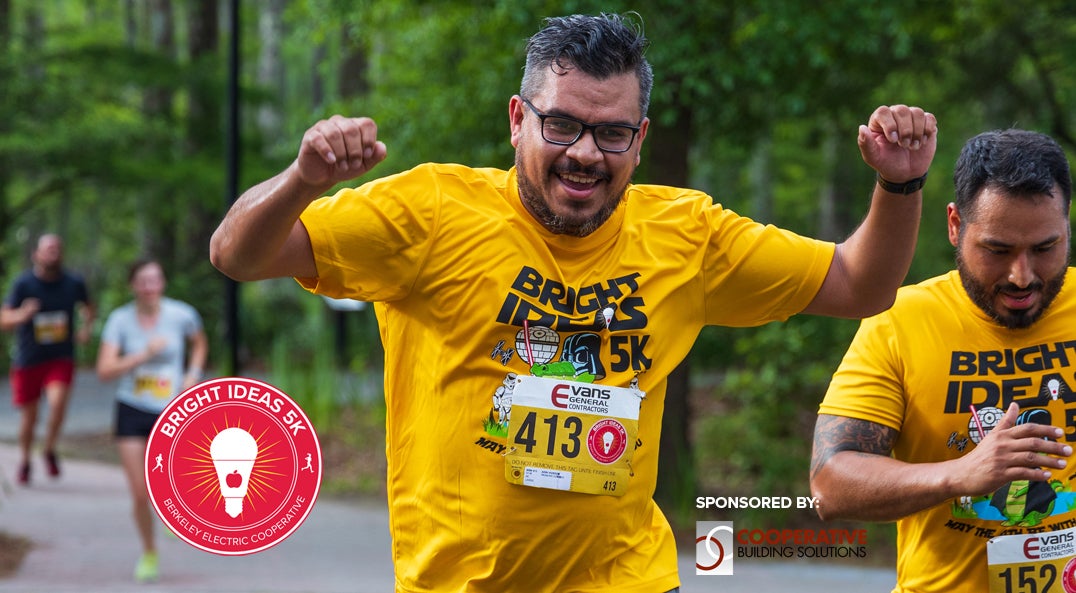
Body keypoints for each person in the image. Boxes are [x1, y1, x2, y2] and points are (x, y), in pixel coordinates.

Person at [210, 12, 936, 593]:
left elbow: (859, 284)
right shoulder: (430, 212)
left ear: (641, 139)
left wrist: (898, 185)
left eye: (612, 132)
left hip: (627, 578)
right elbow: (237, 253)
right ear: (518, 119)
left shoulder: (688, 235)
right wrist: (303, 179)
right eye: (562, 124)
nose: (586, 152)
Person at [811, 128, 1075, 593]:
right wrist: (960, 474)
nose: (1022, 276)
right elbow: (831, 483)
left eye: (1044, 248)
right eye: (997, 250)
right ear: (955, 225)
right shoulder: (899, 320)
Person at [95, 258, 207, 583]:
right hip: (131, 408)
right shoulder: (119, 321)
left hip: (171, 409)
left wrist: (193, 374)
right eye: (143, 281)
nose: (150, 286)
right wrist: (144, 353)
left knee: (172, 477)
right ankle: (149, 551)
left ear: (163, 282)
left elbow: (199, 343)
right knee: (141, 492)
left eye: (155, 279)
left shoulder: (182, 314)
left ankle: (174, 514)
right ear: (133, 285)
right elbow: (104, 370)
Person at [1, 233, 95, 485]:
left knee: (57, 404)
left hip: (60, 356)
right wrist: (22, 314)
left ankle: (49, 448)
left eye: (57, 248)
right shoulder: (23, 284)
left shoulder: (73, 282)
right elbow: (4, 319)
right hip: (29, 358)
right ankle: (25, 460)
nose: (53, 252)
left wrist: (85, 328)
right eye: (48, 248)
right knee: (29, 418)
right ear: (37, 254)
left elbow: (89, 307)